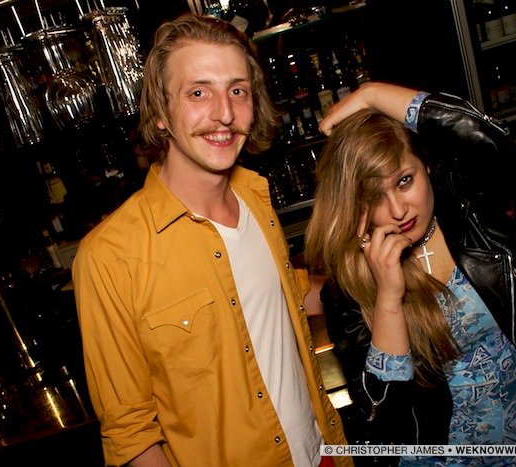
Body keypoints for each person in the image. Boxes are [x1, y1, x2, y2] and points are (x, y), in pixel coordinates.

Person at [72, 14, 351, 466]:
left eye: (237, 91)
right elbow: (132, 434)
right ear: (160, 113)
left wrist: (375, 275)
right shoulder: (108, 257)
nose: (224, 113)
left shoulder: (255, 196)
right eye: (198, 93)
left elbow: (278, 298)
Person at [305, 82, 516, 466]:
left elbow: (494, 144)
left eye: (404, 180)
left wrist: (372, 94)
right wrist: (388, 298)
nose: (398, 210)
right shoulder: (348, 289)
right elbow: (387, 426)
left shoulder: (472, 216)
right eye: (374, 195)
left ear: (425, 164)